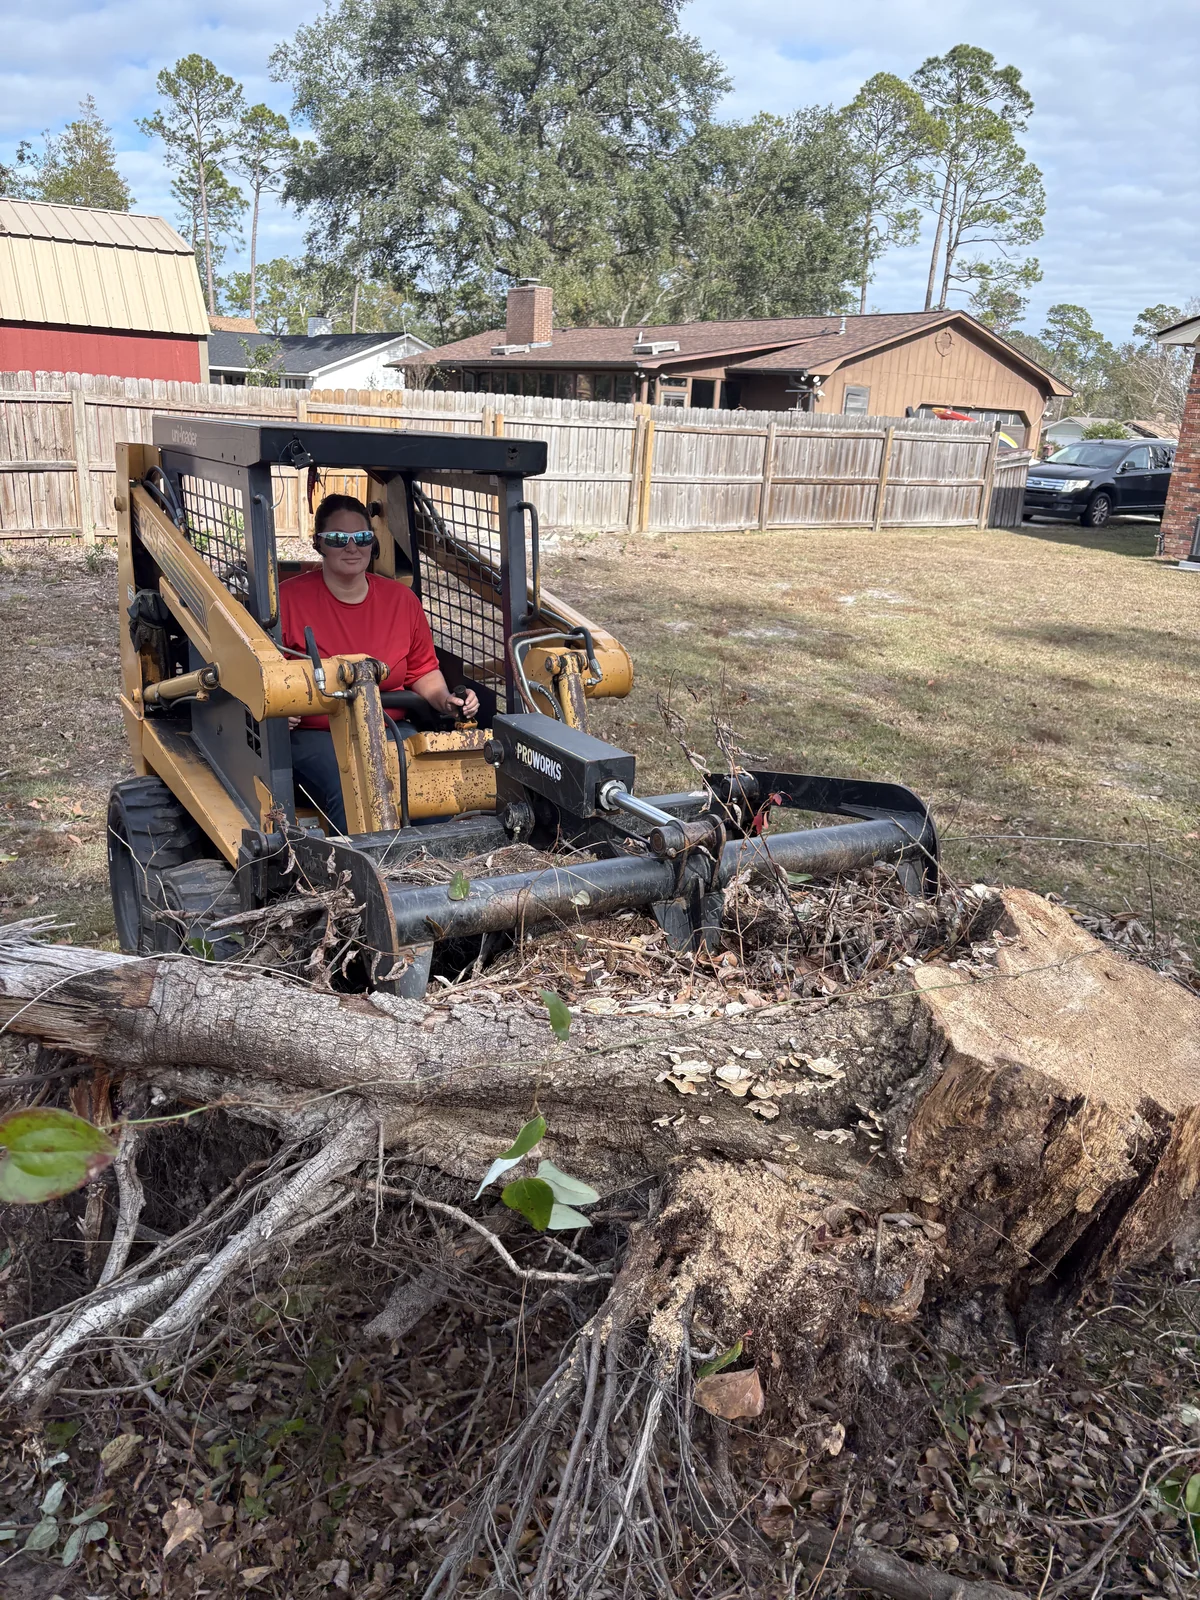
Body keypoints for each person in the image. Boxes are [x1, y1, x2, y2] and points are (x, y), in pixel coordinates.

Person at [280, 493, 479, 832]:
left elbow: (422, 670)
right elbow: (266, 675)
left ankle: (433, 862)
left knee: (426, 783)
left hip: (389, 726)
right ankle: (364, 864)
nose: (351, 547)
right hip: (316, 734)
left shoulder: (401, 601)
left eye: (362, 538)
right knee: (352, 786)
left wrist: (446, 700)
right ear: (319, 544)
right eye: (338, 538)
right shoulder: (286, 599)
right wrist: (282, 711)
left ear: (373, 543)